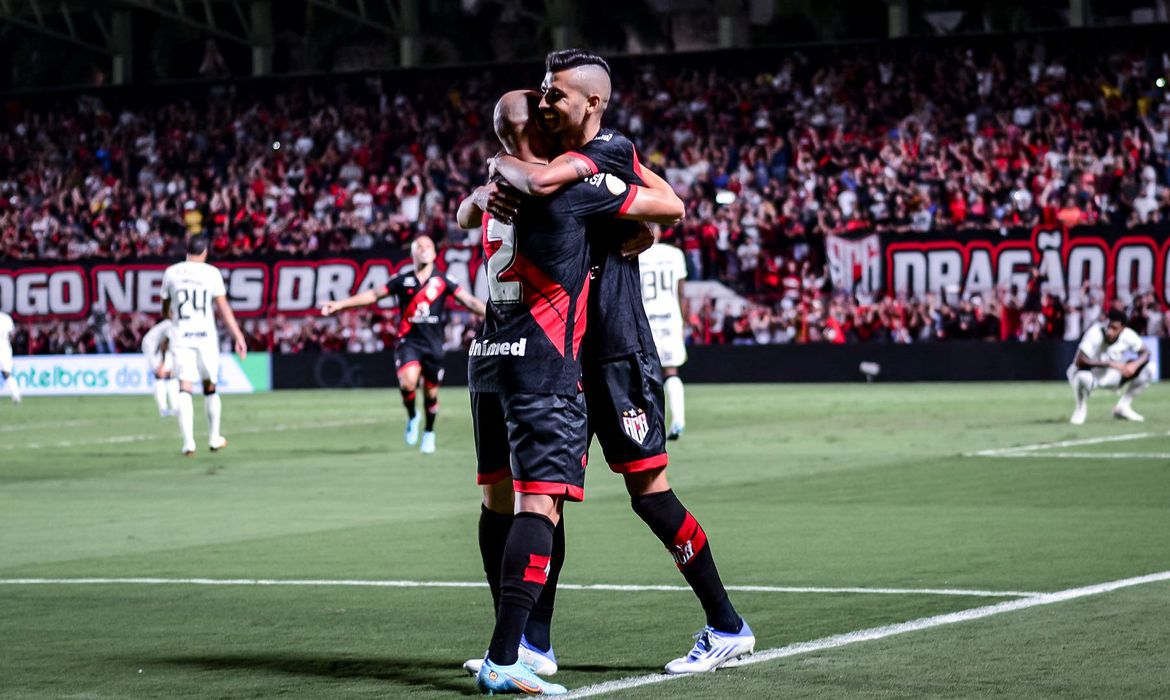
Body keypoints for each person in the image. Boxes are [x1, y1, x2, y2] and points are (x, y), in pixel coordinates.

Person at [490, 49, 754, 676]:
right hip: (567, 354)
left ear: (592, 103)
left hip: (617, 349)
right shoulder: (558, 160)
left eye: (556, 93)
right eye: (543, 93)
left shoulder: (608, 150)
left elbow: (671, 203)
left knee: (650, 494)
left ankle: (726, 625)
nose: (545, 102)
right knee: (549, 496)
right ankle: (535, 644)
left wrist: (502, 172)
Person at [457, 89, 686, 696]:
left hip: (489, 359)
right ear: (538, 127)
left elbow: (464, 213)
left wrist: (483, 186)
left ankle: (519, 645)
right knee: (540, 507)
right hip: (545, 365)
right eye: (544, 106)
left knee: (496, 504)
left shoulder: (494, 193)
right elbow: (667, 208)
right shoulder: (567, 189)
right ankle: (506, 655)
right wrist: (641, 228)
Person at [320, 235, 485, 454]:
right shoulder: (402, 280)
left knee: (431, 394)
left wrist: (494, 314)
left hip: (433, 344)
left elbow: (469, 301)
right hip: (409, 342)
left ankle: (429, 432)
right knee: (408, 383)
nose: (424, 250)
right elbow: (374, 295)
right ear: (413, 253)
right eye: (419, 247)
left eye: (428, 246)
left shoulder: (443, 280)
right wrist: (341, 305)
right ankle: (413, 415)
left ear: (434, 253)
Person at [161, 235, 248, 456]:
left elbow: (165, 307)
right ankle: (214, 438)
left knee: (185, 387)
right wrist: (238, 336)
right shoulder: (212, 273)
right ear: (205, 252)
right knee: (210, 386)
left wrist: (171, 317)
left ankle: (188, 443)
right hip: (205, 337)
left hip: (182, 335)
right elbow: (223, 308)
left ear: (186, 251)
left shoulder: (171, 272)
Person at [639, 228, 689, 439]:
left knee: (644, 374)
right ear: (659, 232)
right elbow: (681, 293)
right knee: (671, 370)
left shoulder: (637, 253)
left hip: (645, 318)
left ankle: (650, 426)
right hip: (670, 318)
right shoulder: (675, 254)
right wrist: (683, 321)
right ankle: (678, 419)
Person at [1068, 308, 1155, 424]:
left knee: (1150, 368)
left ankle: (1123, 407)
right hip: (1091, 375)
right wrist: (1110, 363)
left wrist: (1135, 365)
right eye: (1108, 326)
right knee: (1081, 376)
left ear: (1122, 328)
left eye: (1114, 328)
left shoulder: (1128, 335)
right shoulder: (1095, 332)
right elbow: (1079, 360)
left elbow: (1146, 352)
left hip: (1112, 376)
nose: (1109, 331)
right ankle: (1080, 408)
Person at [141, 319, 180, 417]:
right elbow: (163, 344)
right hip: (154, 350)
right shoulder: (171, 325)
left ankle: (173, 408)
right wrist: (160, 365)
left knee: (170, 378)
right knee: (161, 379)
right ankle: (164, 409)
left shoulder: (171, 325)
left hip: (158, 349)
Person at [0, 311, 21, 404]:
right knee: (7, 374)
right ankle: (16, 394)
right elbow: (12, 334)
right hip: (5, 348)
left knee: (6, 374)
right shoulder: (6, 318)